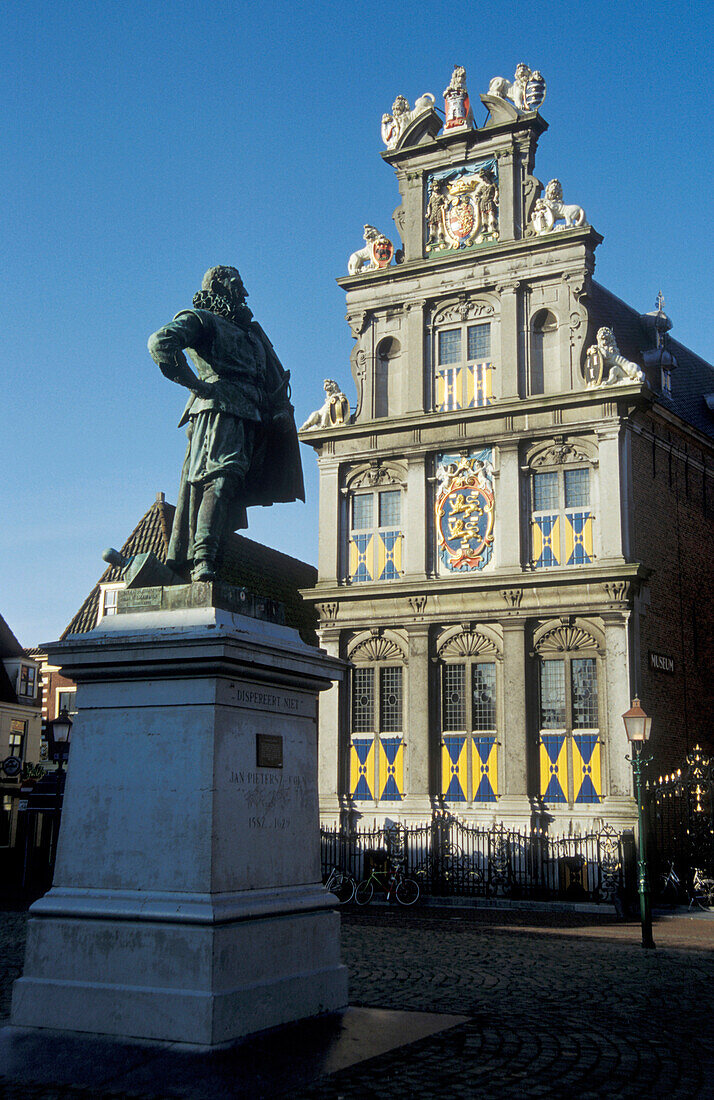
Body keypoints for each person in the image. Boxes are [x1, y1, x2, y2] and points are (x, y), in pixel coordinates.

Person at [147, 265, 304, 581]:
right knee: (219, 480)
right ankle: (202, 559)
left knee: (232, 489)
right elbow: (160, 342)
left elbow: (274, 379)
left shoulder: (253, 334)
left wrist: (282, 411)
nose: (243, 292)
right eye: (237, 284)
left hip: (254, 418)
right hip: (220, 410)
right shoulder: (202, 320)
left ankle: (212, 558)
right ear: (219, 286)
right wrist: (196, 385)